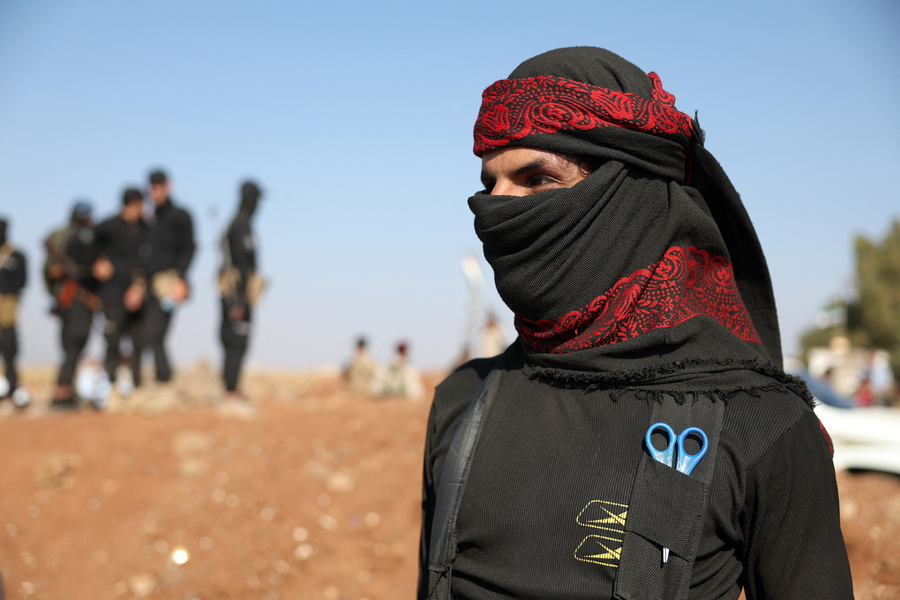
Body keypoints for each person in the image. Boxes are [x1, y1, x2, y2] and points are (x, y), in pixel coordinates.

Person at [419, 47, 853, 600]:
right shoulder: (463, 402)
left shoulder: (761, 425)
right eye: (490, 184)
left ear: (627, 198)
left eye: (537, 178)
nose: (496, 207)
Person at [92, 187, 150, 403]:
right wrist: (97, 262)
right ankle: (111, 386)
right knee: (112, 338)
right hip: (112, 292)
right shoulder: (108, 226)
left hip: (137, 291)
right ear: (132, 204)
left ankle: (137, 385)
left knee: (139, 340)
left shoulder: (146, 228)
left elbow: (150, 260)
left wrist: (139, 286)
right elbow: (86, 244)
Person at [141, 169, 195, 392]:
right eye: (152, 188)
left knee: (155, 332)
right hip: (148, 284)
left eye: (159, 187)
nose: (155, 192)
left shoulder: (180, 215)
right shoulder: (150, 219)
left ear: (168, 186)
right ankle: (158, 379)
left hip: (168, 284)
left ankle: (165, 380)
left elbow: (189, 248)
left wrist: (180, 279)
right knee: (146, 333)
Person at [46, 202, 101, 410]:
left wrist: (54, 296)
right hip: (74, 297)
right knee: (74, 344)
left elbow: (48, 273)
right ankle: (63, 391)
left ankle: (66, 389)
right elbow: (50, 270)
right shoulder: (82, 236)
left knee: (70, 345)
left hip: (67, 299)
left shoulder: (58, 235)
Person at [218, 180, 265, 407]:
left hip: (235, 294)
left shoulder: (237, 224)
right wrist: (239, 299)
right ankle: (230, 395)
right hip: (237, 295)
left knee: (234, 342)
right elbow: (240, 266)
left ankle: (232, 390)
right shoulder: (240, 225)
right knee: (236, 342)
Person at [0, 218, 29, 408]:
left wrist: (4, 293)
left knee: (9, 346)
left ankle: (12, 387)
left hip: (8, 309)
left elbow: (22, 282)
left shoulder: (16, 256)